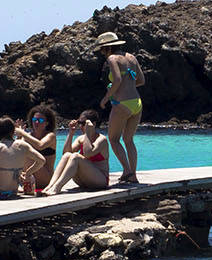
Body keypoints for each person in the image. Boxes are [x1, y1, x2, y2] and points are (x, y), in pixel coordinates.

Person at [97, 32, 144, 185]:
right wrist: (127, 85)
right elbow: (141, 80)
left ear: (107, 48)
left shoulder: (112, 58)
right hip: (136, 102)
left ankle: (127, 171)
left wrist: (106, 97)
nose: (102, 52)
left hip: (121, 104)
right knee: (129, 140)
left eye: (102, 49)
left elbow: (117, 79)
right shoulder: (131, 57)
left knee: (114, 139)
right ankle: (133, 175)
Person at [44, 112, 111, 195]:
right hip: (83, 180)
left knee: (76, 156)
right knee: (68, 155)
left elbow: (88, 153)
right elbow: (65, 153)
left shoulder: (101, 140)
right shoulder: (81, 139)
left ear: (93, 124)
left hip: (100, 181)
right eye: (79, 123)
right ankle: (50, 185)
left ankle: (57, 187)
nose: (80, 126)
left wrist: (87, 133)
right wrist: (71, 133)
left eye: (83, 124)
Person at [0, 117, 46, 201]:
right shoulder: (22, 145)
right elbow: (41, 160)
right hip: (13, 191)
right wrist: (28, 173)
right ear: (13, 130)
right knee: (29, 177)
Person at [25, 104, 60, 193]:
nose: (36, 123)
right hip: (29, 177)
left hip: (46, 178)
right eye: (34, 120)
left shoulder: (50, 136)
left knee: (30, 157)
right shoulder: (28, 136)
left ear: (47, 123)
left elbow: (40, 145)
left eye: (40, 120)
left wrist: (22, 133)